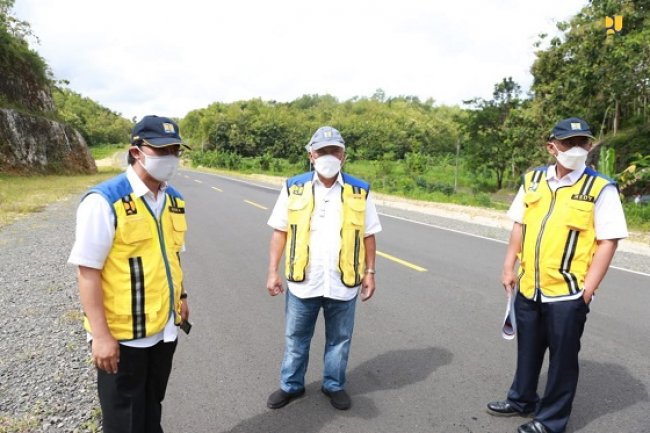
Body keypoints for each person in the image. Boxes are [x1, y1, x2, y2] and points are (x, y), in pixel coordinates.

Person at [486, 117, 628, 433]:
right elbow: (519, 225)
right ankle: (521, 399)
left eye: (583, 142)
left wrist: (587, 291)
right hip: (529, 285)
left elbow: (609, 241)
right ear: (552, 147)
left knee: (562, 361)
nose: (577, 149)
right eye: (569, 143)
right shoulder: (533, 180)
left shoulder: (600, 188)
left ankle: (551, 421)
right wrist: (509, 265)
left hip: (568, 292)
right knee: (529, 348)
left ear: (590, 146)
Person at [68, 115, 191, 433]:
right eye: (162, 150)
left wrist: (182, 296)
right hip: (123, 338)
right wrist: (101, 336)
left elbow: (172, 255)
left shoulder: (173, 199)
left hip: (164, 331)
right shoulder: (104, 201)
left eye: (175, 150)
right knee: (124, 421)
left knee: (152, 409)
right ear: (136, 151)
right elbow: (88, 271)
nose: (170, 158)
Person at [265, 126, 382, 410]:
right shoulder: (294, 186)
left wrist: (370, 273)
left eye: (334, 151)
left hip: (344, 283)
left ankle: (333, 384)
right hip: (303, 281)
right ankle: (291, 385)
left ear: (343, 156)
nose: (328, 156)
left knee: (339, 340)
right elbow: (280, 231)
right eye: (322, 151)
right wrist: (272, 271)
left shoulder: (359, 190)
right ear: (311, 154)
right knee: (296, 339)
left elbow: (368, 234)